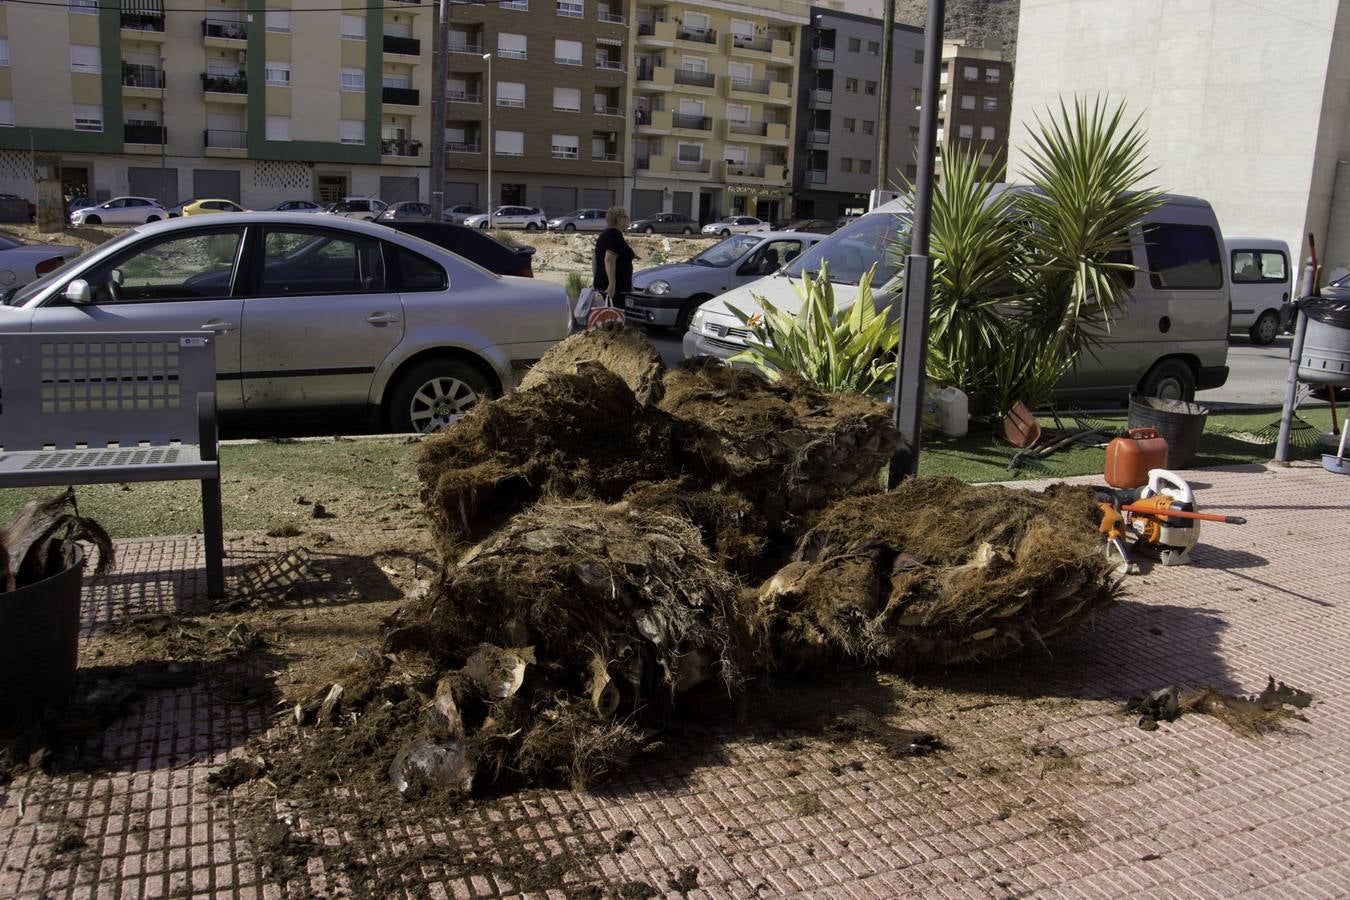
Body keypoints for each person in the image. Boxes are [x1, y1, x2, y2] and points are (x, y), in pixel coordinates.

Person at [593, 206, 637, 308]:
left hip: (602, 282)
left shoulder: (604, 235)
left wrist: (596, 277)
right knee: (615, 317)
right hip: (616, 287)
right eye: (626, 217)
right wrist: (612, 284)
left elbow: (595, 258)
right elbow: (609, 259)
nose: (628, 220)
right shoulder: (615, 236)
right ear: (619, 219)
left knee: (610, 315)